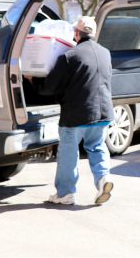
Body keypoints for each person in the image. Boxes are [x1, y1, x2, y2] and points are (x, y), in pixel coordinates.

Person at [30, 16, 114, 205]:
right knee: (97, 146)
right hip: (103, 113)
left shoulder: (69, 56)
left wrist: (32, 80)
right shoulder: (105, 53)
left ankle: (65, 194)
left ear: (76, 34)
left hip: (76, 116)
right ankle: (103, 179)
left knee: (69, 153)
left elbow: (49, 87)